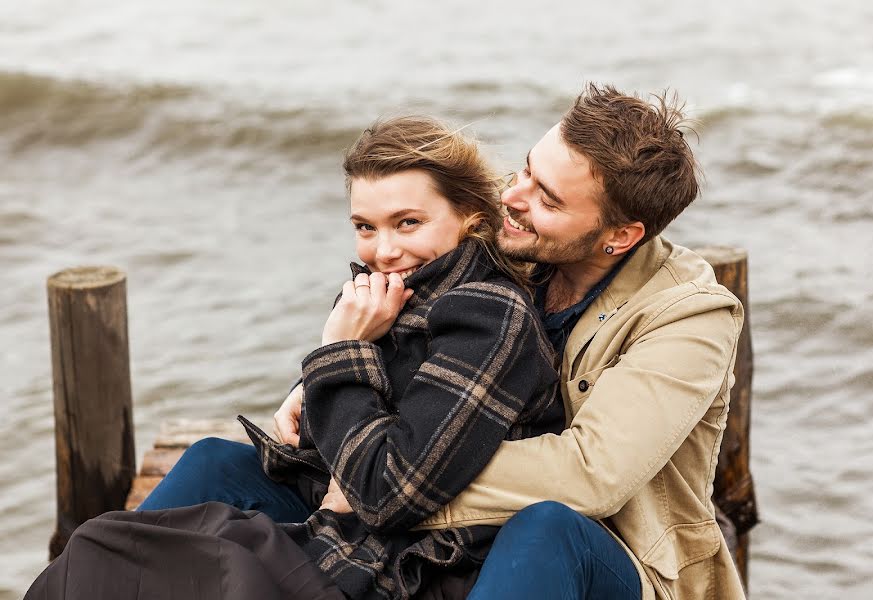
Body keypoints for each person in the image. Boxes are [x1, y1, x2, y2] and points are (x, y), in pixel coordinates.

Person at [27, 116, 564, 600]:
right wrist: (316, 380)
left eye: (408, 223)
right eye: (365, 227)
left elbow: (386, 493)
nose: (383, 250)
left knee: (129, 555)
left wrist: (338, 352)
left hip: (417, 549)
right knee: (206, 465)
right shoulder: (388, 293)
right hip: (339, 497)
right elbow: (335, 426)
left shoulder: (490, 318)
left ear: (470, 217)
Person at [276, 84, 748, 600]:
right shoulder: (514, 238)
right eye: (527, 169)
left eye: (547, 198)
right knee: (220, 465)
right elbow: (400, 311)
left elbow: (591, 475)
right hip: (445, 530)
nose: (511, 196)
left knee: (547, 531)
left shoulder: (691, 317)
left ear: (621, 236)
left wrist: (385, 478)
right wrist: (326, 380)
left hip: (612, 559)